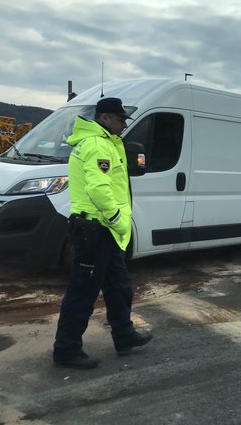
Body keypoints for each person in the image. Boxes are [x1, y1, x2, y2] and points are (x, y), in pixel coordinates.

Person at [53, 97, 152, 369]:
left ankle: (124, 336)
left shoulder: (107, 142)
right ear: (105, 118)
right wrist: (118, 219)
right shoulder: (97, 144)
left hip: (106, 232)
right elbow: (99, 189)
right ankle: (66, 350)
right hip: (97, 230)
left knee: (119, 287)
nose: (123, 125)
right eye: (120, 120)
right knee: (82, 292)